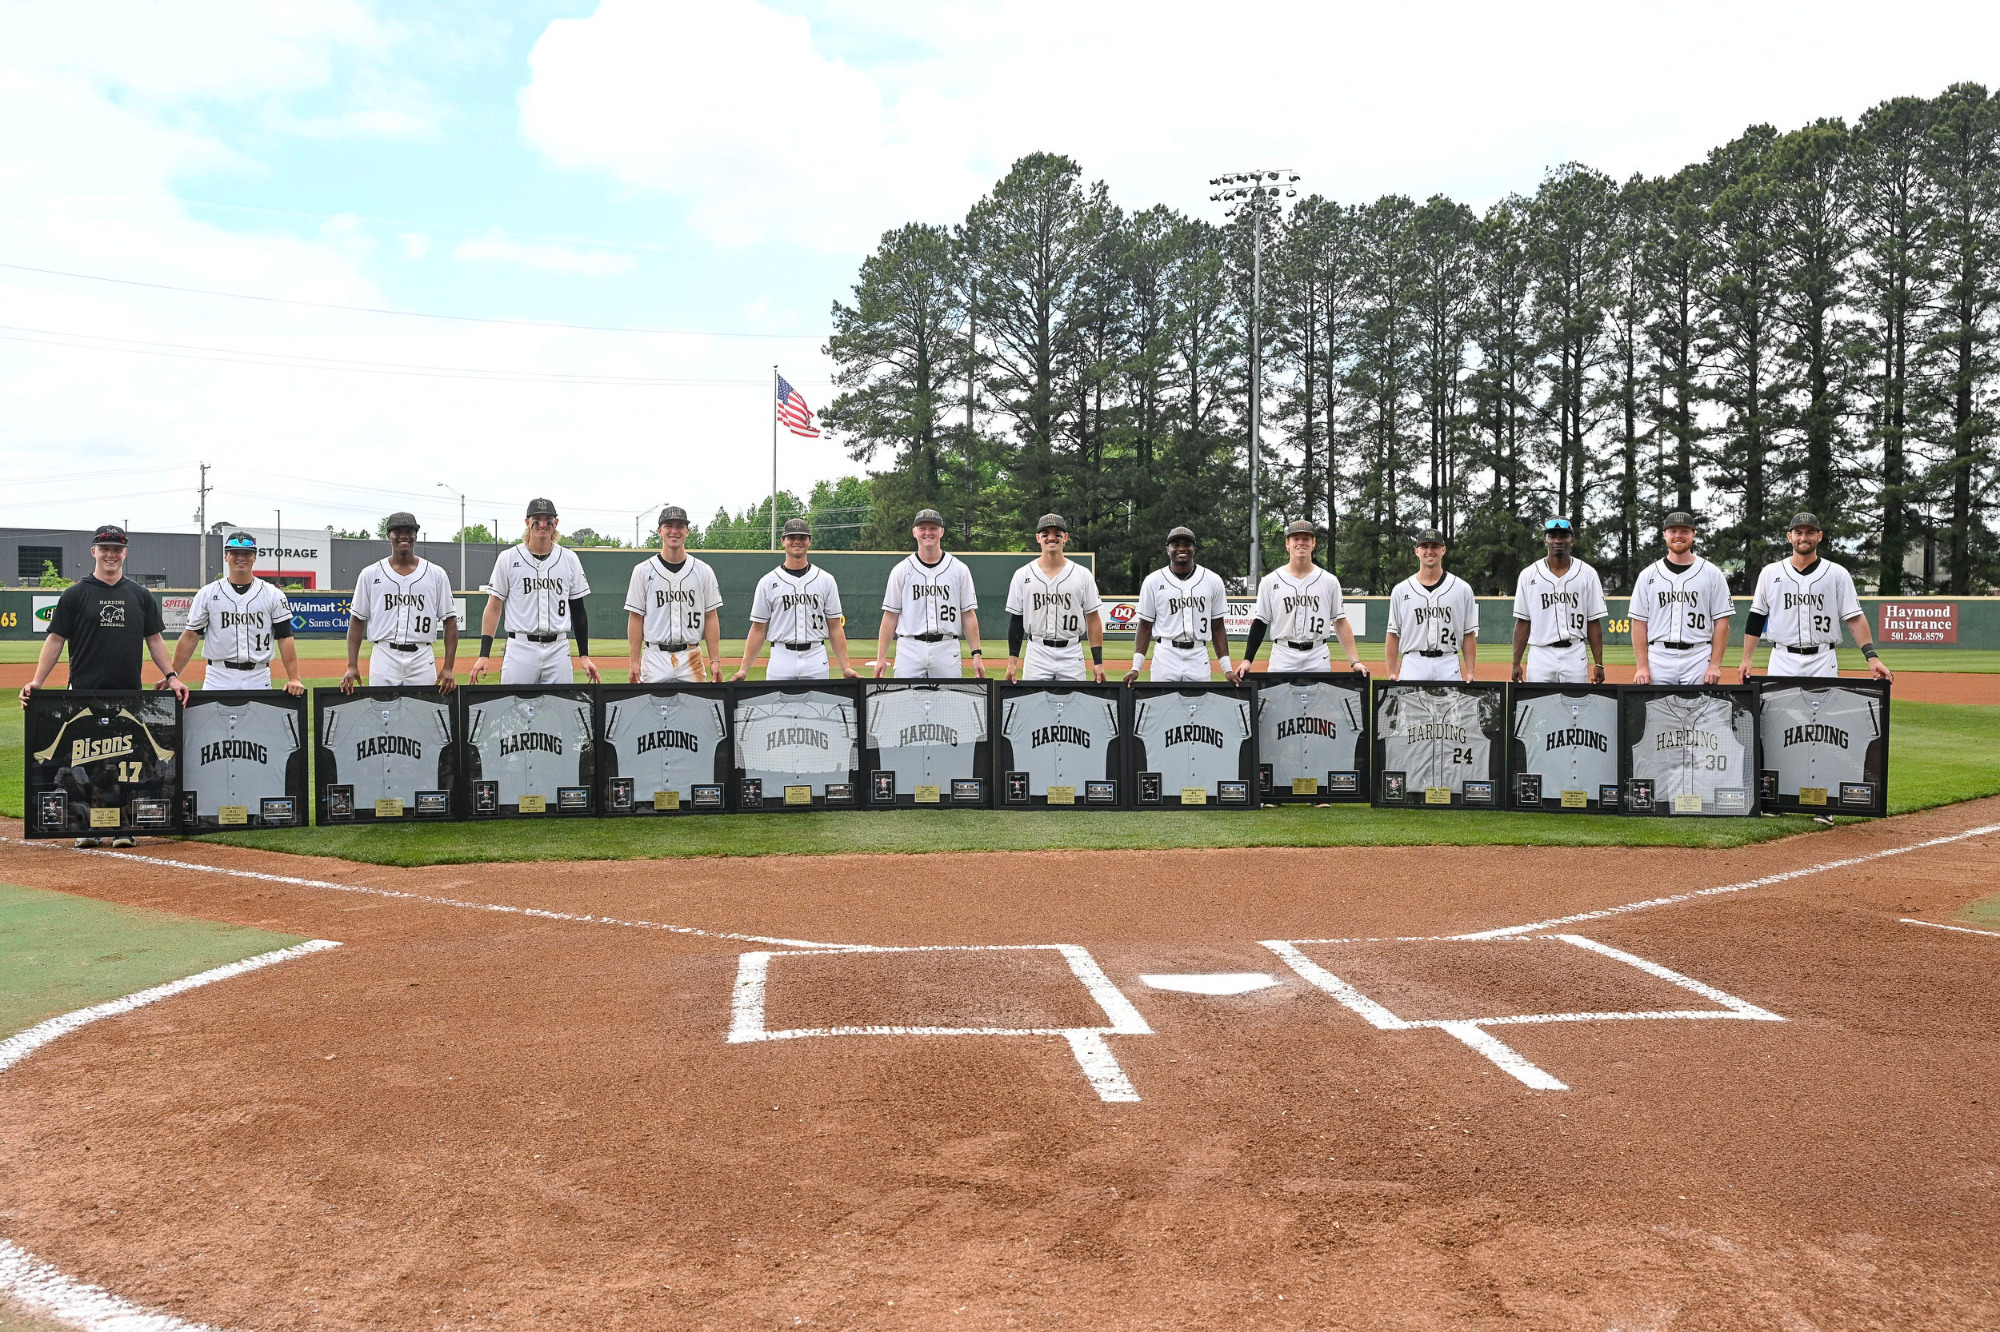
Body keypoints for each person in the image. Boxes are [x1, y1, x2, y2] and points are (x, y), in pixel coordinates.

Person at [19, 524, 188, 849]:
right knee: (85, 764)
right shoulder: (75, 594)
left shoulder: (139, 595)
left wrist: (172, 676)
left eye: (117, 549)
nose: (111, 554)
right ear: (94, 551)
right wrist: (37, 681)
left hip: (129, 695)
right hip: (83, 692)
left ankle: (124, 828)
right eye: (105, 548)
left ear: (124, 553)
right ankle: (87, 827)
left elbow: (154, 639)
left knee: (126, 765)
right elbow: (55, 640)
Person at [1738, 513, 1894, 684]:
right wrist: (1746, 658)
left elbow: (1855, 618)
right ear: (1789, 537)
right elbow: (1757, 617)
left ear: (1819, 536)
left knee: (1823, 710)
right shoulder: (1770, 573)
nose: (1804, 537)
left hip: (1823, 660)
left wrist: (1872, 657)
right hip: (1782, 659)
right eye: (1798, 532)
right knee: (1779, 710)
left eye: (1810, 532)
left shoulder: (1837, 574)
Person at [470, 498, 601, 686]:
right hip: (520, 648)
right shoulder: (508, 558)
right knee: (515, 708)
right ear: (527, 522)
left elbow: (578, 610)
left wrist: (584, 655)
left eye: (548, 519)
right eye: (536, 518)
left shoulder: (569, 559)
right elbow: (493, 608)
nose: (542, 524)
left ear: (556, 523)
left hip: (558, 649)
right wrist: (484, 655)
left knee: (560, 710)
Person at [172, 532, 306, 694]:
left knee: (259, 719)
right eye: (235, 553)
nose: (241, 558)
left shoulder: (273, 594)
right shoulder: (207, 593)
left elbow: (285, 637)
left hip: (259, 675)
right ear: (226, 557)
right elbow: (191, 636)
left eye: (247, 553)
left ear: (254, 557)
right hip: (218, 675)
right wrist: (172, 676)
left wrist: (294, 678)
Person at [1233, 519, 1366, 681]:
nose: (1301, 543)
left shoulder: (1329, 581)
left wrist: (1355, 662)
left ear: (1313, 543)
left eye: (1306, 538)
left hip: (1317, 655)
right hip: (1283, 655)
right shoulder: (1270, 581)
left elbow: (1340, 621)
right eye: (1296, 538)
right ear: (1287, 543)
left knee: (1318, 705)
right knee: (1278, 705)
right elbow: (1260, 622)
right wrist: (1248, 660)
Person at [340, 512, 458, 693]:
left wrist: (448, 667)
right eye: (397, 531)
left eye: (409, 531)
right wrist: (352, 665)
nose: (404, 535)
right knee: (383, 715)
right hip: (384, 655)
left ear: (416, 536)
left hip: (421, 656)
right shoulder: (370, 574)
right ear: (388, 536)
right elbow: (357, 620)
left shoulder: (436, 574)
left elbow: (450, 621)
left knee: (423, 714)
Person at [731, 518, 860, 682]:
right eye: (792, 537)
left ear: (809, 541)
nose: (797, 541)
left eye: (802, 537)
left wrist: (846, 667)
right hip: (781, 657)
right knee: (778, 706)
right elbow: (758, 628)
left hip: (815, 656)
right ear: (783, 541)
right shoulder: (768, 582)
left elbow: (835, 626)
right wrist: (744, 669)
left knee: (817, 706)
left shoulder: (826, 580)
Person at [875, 508, 984, 679]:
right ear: (914, 532)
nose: (928, 532)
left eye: (933, 528)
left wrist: (976, 654)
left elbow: (968, 615)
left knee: (948, 701)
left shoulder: (959, 570)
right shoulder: (901, 570)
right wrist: (881, 658)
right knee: (905, 700)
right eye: (922, 528)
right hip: (909, 647)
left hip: (947, 647)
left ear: (942, 531)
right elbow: (890, 616)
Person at [1629, 512, 1732, 686]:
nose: (1678, 535)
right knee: (1657, 710)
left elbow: (1722, 623)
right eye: (1673, 530)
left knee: (1698, 711)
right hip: (1659, 657)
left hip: (1698, 656)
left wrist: (1715, 665)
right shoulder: (1648, 575)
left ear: (1693, 534)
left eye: (1684, 531)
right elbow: (1638, 623)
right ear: (1665, 535)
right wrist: (1642, 667)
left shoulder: (1712, 573)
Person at [625, 504, 724, 683]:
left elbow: (711, 617)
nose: (674, 531)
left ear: (687, 531)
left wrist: (715, 659)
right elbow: (635, 618)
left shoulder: (703, 571)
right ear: (659, 531)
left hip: (691, 655)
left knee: (696, 709)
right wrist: (634, 661)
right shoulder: (642, 571)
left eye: (679, 526)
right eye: (668, 526)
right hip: (655, 657)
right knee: (652, 709)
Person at [1004, 514, 1106, 683]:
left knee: (1074, 704)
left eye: (1057, 533)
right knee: (1035, 704)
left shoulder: (1082, 575)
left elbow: (1093, 619)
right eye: (1045, 533)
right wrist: (1012, 663)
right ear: (1038, 538)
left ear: (1065, 537)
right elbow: (1016, 620)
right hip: (1037, 652)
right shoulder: (1023, 575)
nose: (1051, 537)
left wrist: (1098, 663)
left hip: (1072, 652)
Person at [1510, 518, 1608, 684]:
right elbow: (1523, 621)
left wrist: (1598, 662)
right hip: (1541, 654)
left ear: (1572, 540)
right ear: (1545, 540)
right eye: (1552, 535)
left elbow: (1593, 621)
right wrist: (1516, 663)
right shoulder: (1528, 575)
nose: (1558, 540)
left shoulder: (1588, 573)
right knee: (1540, 706)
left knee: (1576, 706)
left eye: (1563, 535)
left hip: (1575, 652)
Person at [1125, 527, 1230, 684]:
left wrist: (1227, 669)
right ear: (1168, 549)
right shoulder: (1153, 581)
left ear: (1194, 549)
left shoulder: (1213, 580)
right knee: (1162, 706)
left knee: (1199, 706)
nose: (1181, 548)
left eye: (1187, 544)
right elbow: (1145, 626)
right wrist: (1136, 667)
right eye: (1175, 544)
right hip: (1165, 655)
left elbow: (1217, 627)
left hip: (1198, 655)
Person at [1384, 530, 1478, 682]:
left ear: (1443, 550)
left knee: (1449, 706)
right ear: (1417, 551)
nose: (1429, 551)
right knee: (1411, 706)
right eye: (1424, 546)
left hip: (1448, 662)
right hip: (1413, 662)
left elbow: (1468, 633)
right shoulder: (1401, 590)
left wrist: (1471, 672)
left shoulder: (1462, 588)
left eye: (1434, 546)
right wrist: (1391, 672)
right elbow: (1393, 633)